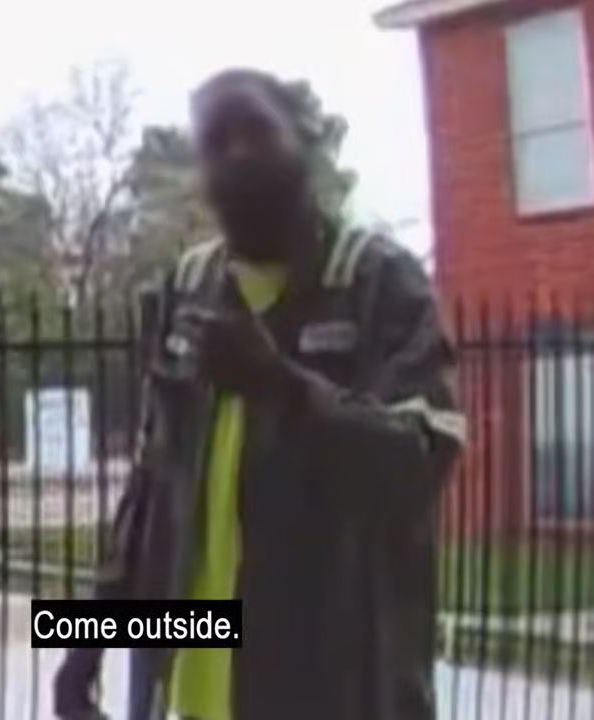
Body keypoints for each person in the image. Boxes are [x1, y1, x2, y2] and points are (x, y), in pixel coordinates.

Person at [54, 67, 466, 720]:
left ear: (303, 139)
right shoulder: (187, 287)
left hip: (333, 692)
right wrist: (84, 643)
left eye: (256, 130)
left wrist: (281, 386)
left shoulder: (379, 283)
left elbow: (417, 463)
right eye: (216, 141)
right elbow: (153, 489)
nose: (238, 153)